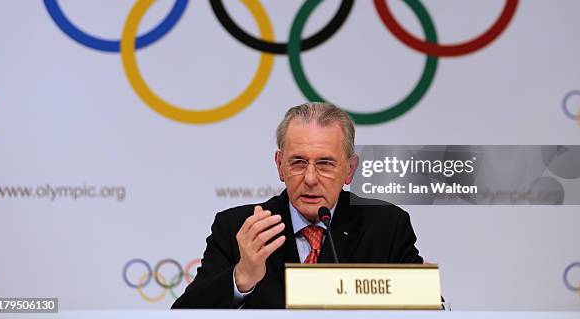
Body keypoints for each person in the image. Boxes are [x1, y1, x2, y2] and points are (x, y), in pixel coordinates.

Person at [172, 102, 423, 309]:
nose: (310, 179)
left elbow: (431, 309)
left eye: (325, 164)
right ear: (280, 165)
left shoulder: (386, 227)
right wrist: (242, 277)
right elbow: (183, 315)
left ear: (349, 169)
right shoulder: (239, 228)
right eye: (298, 163)